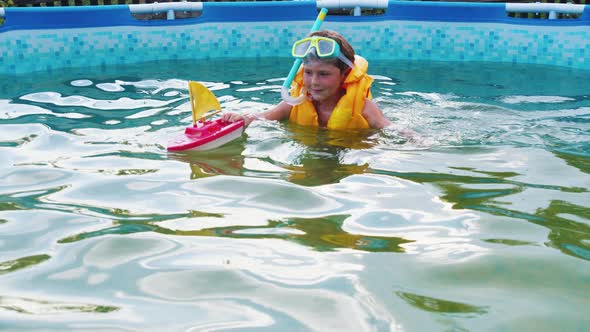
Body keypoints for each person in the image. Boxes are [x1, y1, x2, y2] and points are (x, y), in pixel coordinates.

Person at [222, 30, 392, 130]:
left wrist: (417, 141)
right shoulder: (295, 102)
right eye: (308, 72)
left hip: (350, 156)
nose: (314, 82)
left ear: (345, 73)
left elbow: (393, 130)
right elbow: (262, 116)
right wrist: (242, 119)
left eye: (324, 74)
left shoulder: (364, 108)